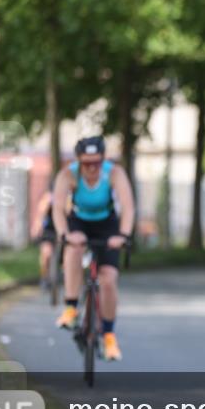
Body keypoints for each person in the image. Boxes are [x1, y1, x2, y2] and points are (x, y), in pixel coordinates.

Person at [51, 136, 135, 362]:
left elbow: (127, 207)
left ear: (103, 160)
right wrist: (65, 235)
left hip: (107, 225)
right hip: (79, 221)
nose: (92, 168)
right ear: (78, 161)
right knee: (74, 249)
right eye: (86, 163)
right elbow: (58, 209)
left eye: (97, 163)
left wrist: (123, 236)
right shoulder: (68, 174)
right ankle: (70, 308)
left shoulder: (114, 173)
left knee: (108, 279)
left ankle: (109, 336)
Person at [31, 185, 57, 289]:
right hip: (49, 230)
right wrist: (37, 228)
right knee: (46, 254)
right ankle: (44, 277)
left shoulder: (69, 197)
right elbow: (40, 215)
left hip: (63, 228)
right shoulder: (48, 198)